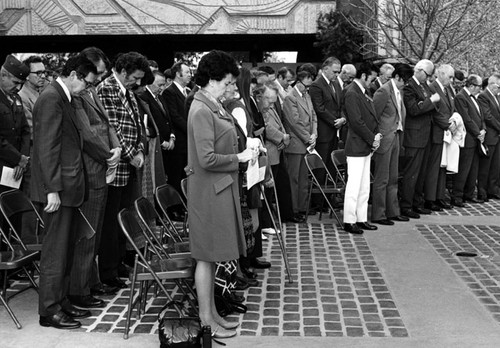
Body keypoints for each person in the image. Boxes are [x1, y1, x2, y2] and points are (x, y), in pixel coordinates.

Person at [186, 50, 256, 338]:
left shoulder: (212, 104)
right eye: (227, 82)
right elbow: (206, 158)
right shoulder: (201, 109)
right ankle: (206, 321)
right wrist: (239, 157)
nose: (231, 88)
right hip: (209, 193)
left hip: (218, 189)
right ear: (212, 80)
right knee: (206, 257)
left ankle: (212, 313)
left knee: (212, 258)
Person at [32, 55, 98, 329]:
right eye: (87, 82)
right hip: (58, 190)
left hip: (68, 189)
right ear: (73, 74)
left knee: (66, 250)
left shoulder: (63, 96)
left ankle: (60, 301)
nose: (87, 89)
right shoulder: (51, 98)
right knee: (55, 252)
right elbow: (47, 148)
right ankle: (49, 310)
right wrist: (52, 190)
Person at [67, 47, 122, 309]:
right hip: (90, 170)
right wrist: (108, 155)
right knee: (87, 235)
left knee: (96, 232)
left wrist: (116, 149)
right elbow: (87, 134)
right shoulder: (77, 94)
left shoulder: (90, 91)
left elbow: (107, 123)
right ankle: (79, 289)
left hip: (102, 167)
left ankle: (90, 280)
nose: (100, 78)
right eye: (97, 73)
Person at [97, 51, 149, 289]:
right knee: (110, 221)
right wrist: (131, 154)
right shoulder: (106, 89)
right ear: (123, 71)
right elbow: (112, 128)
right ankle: (108, 271)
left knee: (123, 218)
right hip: (116, 166)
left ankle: (117, 263)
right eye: (134, 77)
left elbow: (137, 124)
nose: (137, 83)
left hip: (129, 165)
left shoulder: (126, 91)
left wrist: (139, 150)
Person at [371, 63, 413, 225]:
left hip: (395, 136)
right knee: (382, 178)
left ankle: (393, 211)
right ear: (397, 77)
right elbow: (374, 115)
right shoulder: (383, 91)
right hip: (385, 138)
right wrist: (377, 137)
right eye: (404, 81)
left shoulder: (398, 91)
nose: (405, 84)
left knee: (393, 177)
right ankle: (379, 214)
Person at [342, 62, 380, 234]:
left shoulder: (363, 92)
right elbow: (356, 121)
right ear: (363, 76)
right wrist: (372, 138)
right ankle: (349, 220)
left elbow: (371, 117)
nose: (372, 82)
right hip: (357, 144)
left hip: (365, 144)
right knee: (354, 184)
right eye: (371, 78)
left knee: (364, 186)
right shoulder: (352, 92)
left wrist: (376, 135)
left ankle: (361, 217)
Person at [400, 59, 440, 219]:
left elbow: (431, 105)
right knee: (411, 173)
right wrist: (431, 101)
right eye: (428, 75)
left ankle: (417, 202)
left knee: (421, 173)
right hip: (414, 136)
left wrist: (429, 102)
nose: (429, 78)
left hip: (425, 134)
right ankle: (406, 205)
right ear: (420, 70)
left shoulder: (424, 86)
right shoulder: (409, 86)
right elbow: (414, 109)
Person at [283, 69, 318, 220]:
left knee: (304, 178)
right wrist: (307, 137)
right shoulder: (291, 98)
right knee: (294, 179)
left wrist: (314, 134)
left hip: (307, 142)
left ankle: (302, 206)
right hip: (296, 143)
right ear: (299, 82)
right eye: (306, 85)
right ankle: (293, 209)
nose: (308, 88)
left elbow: (314, 116)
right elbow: (294, 121)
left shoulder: (307, 95)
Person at [425, 64, 456, 211]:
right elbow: (435, 111)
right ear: (441, 74)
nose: (451, 80)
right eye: (449, 77)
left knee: (442, 167)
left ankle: (440, 196)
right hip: (437, 132)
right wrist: (447, 124)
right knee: (434, 167)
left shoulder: (448, 89)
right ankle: (430, 198)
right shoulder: (432, 88)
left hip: (446, 133)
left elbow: (451, 108)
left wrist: (454, 121)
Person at [451, 74, 485, 206]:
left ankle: (469, 194)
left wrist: (483, 130)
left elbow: (480, 116)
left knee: (473, 169)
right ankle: (457, 196)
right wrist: (478, 132)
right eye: (479, 86)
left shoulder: (475, 98)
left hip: (476, 138)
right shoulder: (461, 97)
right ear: (471, 85)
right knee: (464, 168)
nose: (480, 89)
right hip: (468, 138)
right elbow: (466, 118)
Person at [0, 55, 30, 194]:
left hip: (16, 169)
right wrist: (18, 159)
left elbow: (24, 130)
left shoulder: (15, 97)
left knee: (15, 211)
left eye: (22, 84)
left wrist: (22, 159)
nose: (19, 88)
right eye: (15, 82)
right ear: (3, 75)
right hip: (3, 165)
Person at [477, 73, 500, 201]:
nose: (499, 90)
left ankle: (493, 189)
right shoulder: (483, 96)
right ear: (491, 85)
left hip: (496, 136)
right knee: (485, 167)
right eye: (498, 86)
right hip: (490, 135)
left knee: (495, 166)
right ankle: (482, 191)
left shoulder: (496, 97)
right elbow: (488, 116)